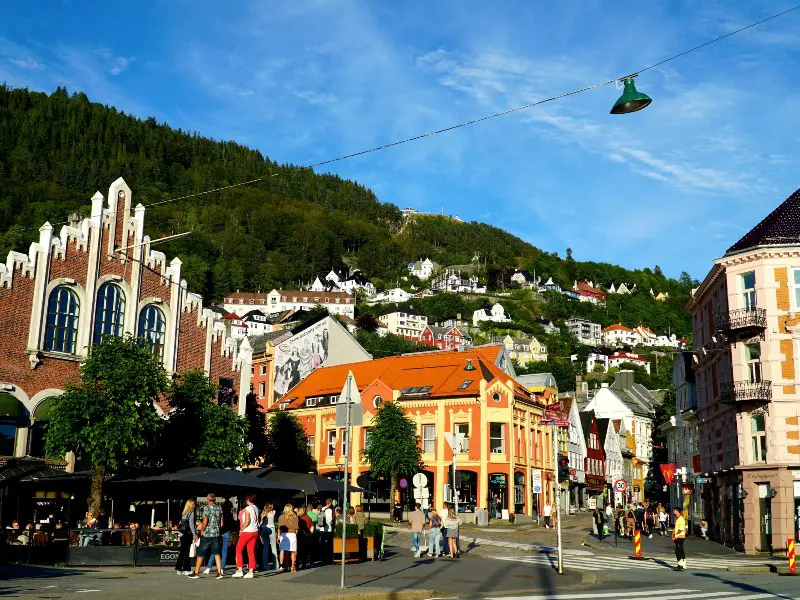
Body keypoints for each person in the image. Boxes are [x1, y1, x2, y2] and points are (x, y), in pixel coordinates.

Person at [189, 494, 224, 579]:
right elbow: (222, 523)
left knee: (201, 552)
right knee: (216, 553)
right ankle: (219, 572)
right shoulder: (219, 508)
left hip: (207, 533)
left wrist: (202, 529)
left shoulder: (207, 508)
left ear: (208, 500)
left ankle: (196, 572)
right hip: (216, 533)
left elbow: (205, 521)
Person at [233, 494, 259, 579]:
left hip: (247, 531)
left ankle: (240, 570)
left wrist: (241, 528)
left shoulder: (247, 509)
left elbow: (247, 520)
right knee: (251, 551)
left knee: (238, 549)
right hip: (255, 531)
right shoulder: (256, 508)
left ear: (248, 500)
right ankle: (251, 571)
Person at [204, 499, 233, 574]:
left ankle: (209, 567)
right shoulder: (230, 514)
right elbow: (231, 524)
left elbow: (221, 523)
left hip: (219, 532)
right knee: (224, 551)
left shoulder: (220, 512)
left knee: (215, 550)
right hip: (227, 532)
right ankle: (222, 568)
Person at [174, 499, 196, 575]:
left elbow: (180, 524)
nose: (194, 505)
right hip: (188, 534)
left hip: (182, 534)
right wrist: (194, 534)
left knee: (182, 552)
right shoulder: (191, 513)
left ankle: (179, 569)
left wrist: (180, 534)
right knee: (187, 553)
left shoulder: (184, 513)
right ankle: (187, 569)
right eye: (193, 504)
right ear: (190, 505)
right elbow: (191, 525)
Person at [278, 503, 299, 572]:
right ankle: (293, 566)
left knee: (285, 551)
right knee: (293, 551)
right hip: (292, 534)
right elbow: (296, 528)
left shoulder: (281, 517)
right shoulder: (295, 517)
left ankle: (286, 566)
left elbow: (279, 528)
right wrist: (295, 534)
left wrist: (278, 536)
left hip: (284, 534)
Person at [260, 503, 278, 571]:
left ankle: (265, 565)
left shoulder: (263, 513)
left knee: (265, 548)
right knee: (273, 547)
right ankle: (276, 565)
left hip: (264, 528)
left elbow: (261, 522)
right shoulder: (273, 512)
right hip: (272, 528)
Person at [319, 499, 334, 563]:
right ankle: (329, 558)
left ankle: (323, 557)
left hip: (322, 529)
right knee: (329, 545)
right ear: (330, 503)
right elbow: (330, 520)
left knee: (323, 544)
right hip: (328, 529)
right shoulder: (329, 510)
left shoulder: (322, 508)